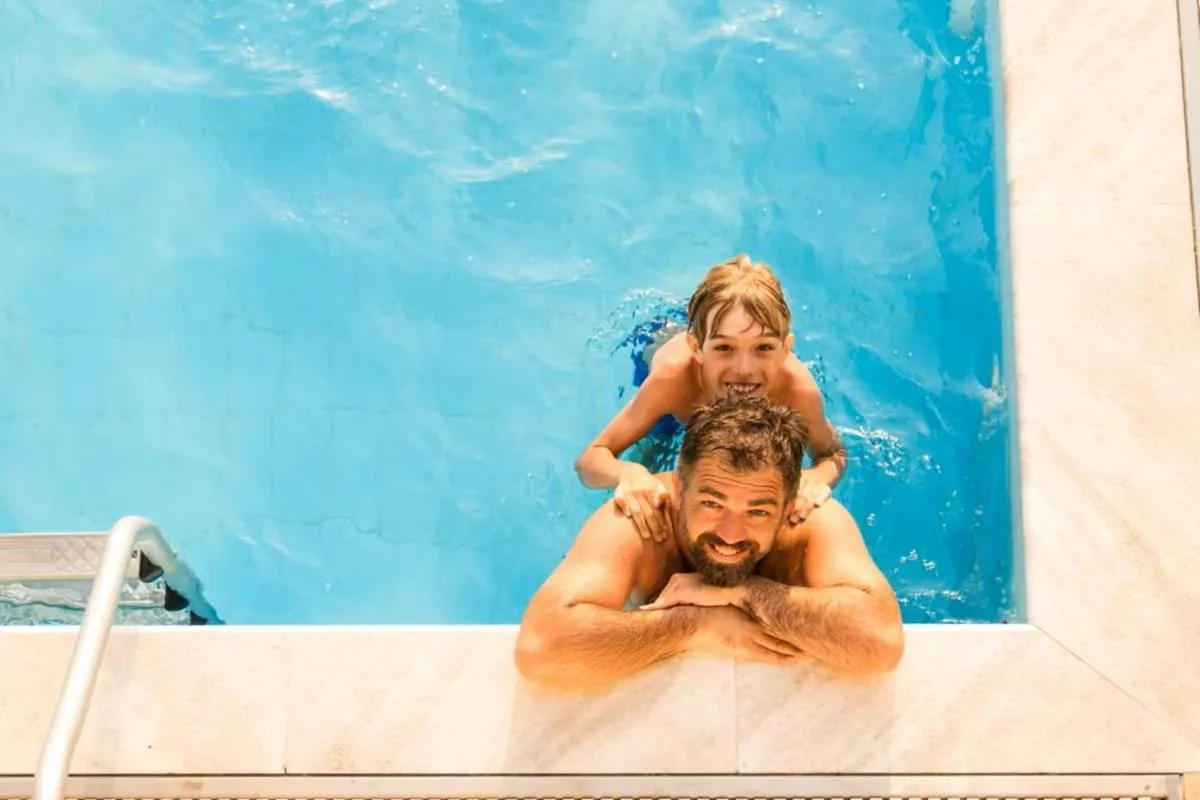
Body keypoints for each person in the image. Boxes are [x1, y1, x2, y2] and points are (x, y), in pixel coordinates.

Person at [517, 396, 903, 691]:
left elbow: (881, 642)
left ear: (788, 506)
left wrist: (745, 592)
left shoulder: (810, 521)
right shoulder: (644, 520)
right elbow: (539, 648)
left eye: (758, 511)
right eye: (712, 503)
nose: (731, 533)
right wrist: (695, 625)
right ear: (680, 489)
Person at [575, 254, 848, 543]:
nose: (745, 370)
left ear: (785, 348)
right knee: (650, 466)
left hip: (708, 331)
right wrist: (626, 473)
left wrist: (817, 477)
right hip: (663, 347)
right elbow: (591, 459)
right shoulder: (673, 381)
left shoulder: (796, 390)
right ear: (697, 348)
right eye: (724, 348)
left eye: (764, 347)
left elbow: (833, 454)